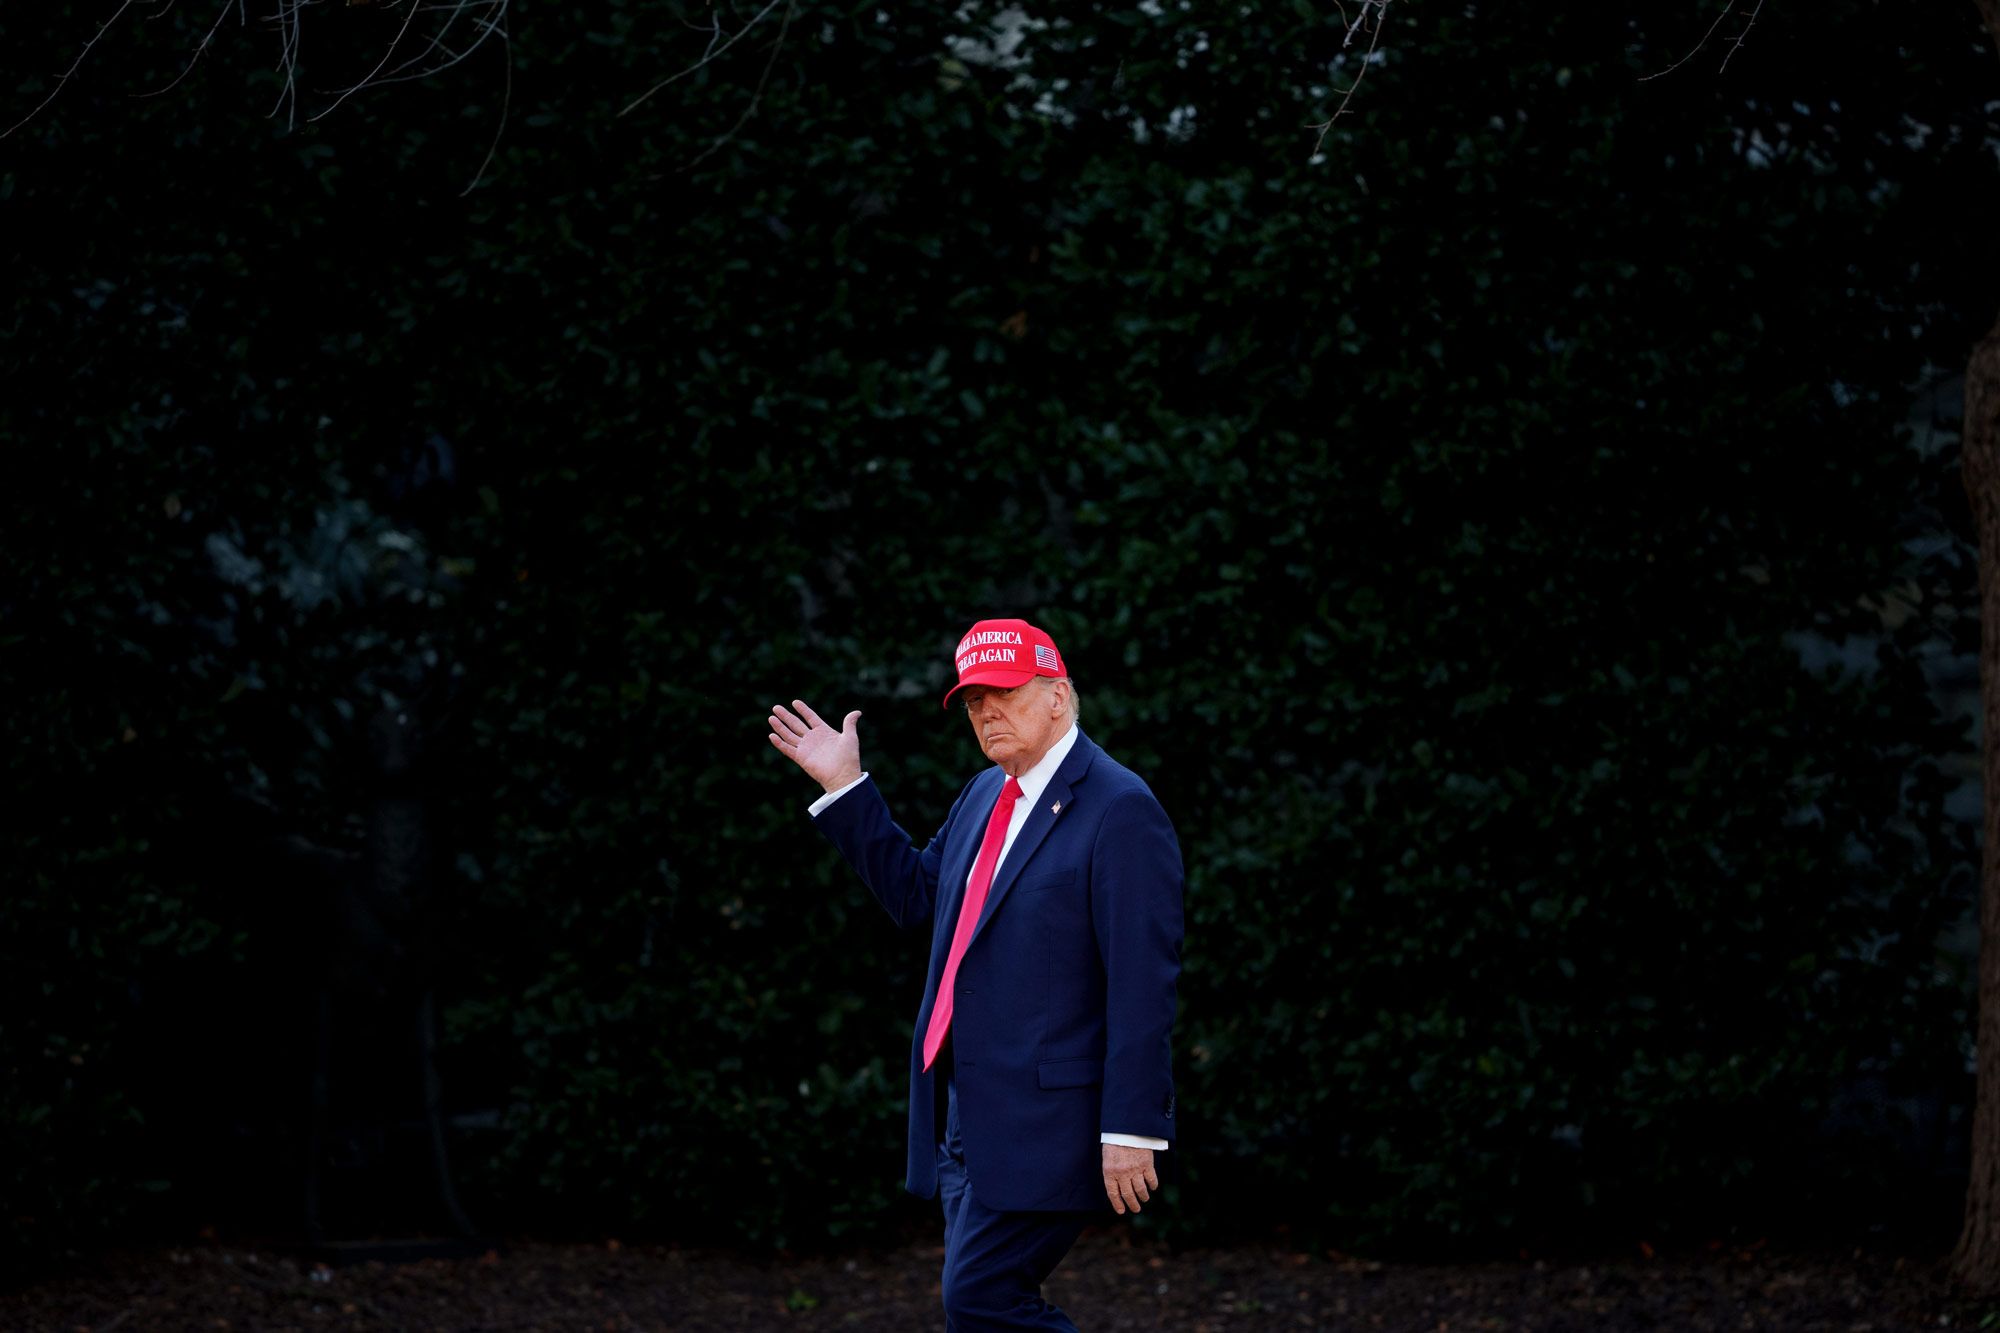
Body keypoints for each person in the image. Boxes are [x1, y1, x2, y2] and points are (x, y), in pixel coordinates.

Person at [766, 617, 1184, 1332]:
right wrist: (845, 786)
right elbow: (917, 898)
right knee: (980, 1310)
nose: (987, 712)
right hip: (967, 1119)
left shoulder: (1120, 808)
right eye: (973, 700)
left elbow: (1143, 981)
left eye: (1005, 693)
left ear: (1058, 695)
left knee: (980, 1298)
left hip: (1053, 1122)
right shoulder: (984, 794)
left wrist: (1132, 1125)